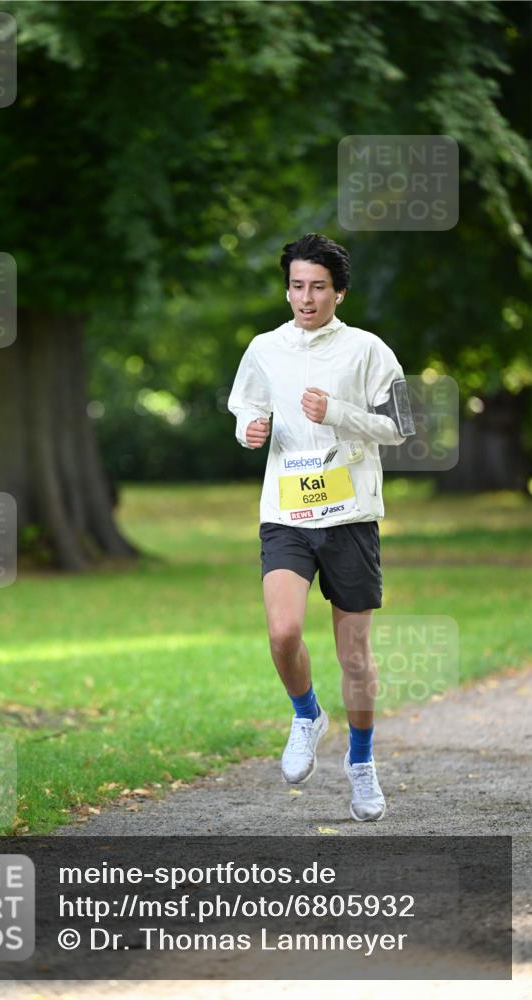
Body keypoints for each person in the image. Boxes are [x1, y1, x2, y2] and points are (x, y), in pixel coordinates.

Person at [228, 233, 413, 822]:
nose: (306, 298)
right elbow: (247, 410)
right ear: (288, 289)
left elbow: (402, 426)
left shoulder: (367, 350)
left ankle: (361, 765)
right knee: (283, 632)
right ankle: (306, 713)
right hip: (286, 513)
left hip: (350, 516)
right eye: (297, 286)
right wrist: (249, 431)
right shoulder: (264, 348)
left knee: (353, 655)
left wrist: (337, 413)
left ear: (338, 292)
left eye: (318, 288)